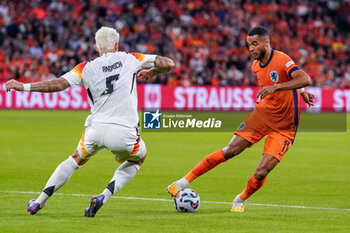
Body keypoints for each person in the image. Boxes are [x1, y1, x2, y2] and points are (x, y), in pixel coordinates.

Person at [6, 26, 175, 217]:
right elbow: (168, 63)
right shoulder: (131, 58)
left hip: (95, 129)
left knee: (75, 159)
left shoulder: (85, 67)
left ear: (96, 47)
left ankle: (38, 202)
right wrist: (152, 73)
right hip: (123, 132)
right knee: (139, 158)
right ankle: (103, 196)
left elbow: (58, 84)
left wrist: (23, 86)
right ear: (117, 45)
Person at [167, 26, 315, 212]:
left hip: (285, 127)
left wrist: (291, 89)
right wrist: (299, 91)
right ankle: (182, 182)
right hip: (261, 116)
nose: (251, 48)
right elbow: (291, 82)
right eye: (248, 45)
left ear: (266, 42)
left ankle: (240, 198)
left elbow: (305, 78)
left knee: (261, 172)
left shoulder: (281, 58)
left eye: (255, 44)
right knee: (230, 150)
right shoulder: (255, 66)